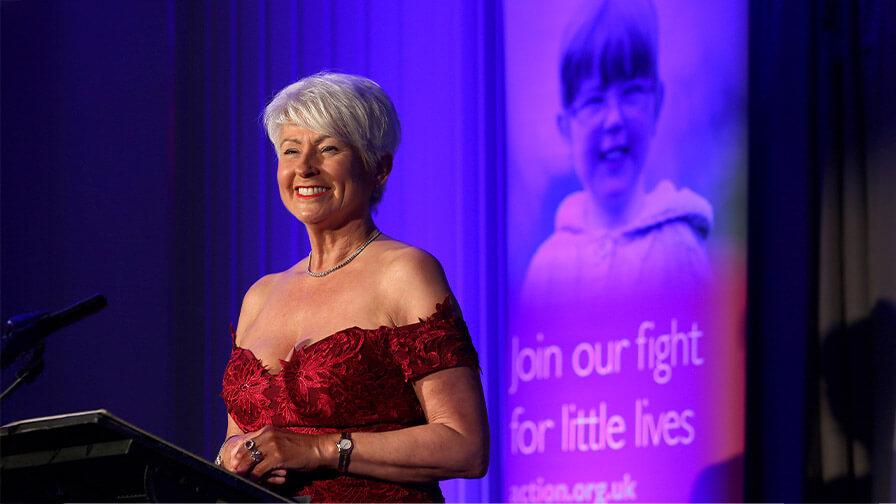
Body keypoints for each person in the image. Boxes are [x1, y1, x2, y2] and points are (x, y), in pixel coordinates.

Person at [216, 72, 488, 502]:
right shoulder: (260, 295)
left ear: (378, 168)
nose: (304, 166)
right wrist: (232, 457)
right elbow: (237, 440)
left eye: (328, 148)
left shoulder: (405, 272)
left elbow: (465, 444)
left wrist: (320, 449)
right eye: (290, 150)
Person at [521, 0, 713, 308]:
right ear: (566, 127)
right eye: (594, 101)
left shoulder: (681, 251)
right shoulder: (548, 269)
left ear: (657, 104)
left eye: (632, 93)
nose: (614, 120)